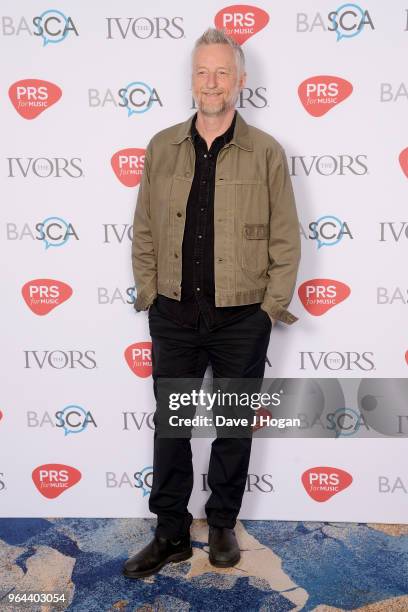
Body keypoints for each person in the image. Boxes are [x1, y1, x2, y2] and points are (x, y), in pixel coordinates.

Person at [123, 27, 300, 579]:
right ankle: (170, 532)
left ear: (241, 80)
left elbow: (285, 239)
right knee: (170, 429)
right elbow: (145, 230)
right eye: (203, 72)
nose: (212, 82)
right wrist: (151, 294)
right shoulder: (161, 147)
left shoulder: (266, 151)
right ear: (191, 80)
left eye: (223, 72)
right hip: (174, 315)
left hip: (241, 317)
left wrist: (267, 311)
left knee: (232, 427)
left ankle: (221, 523)